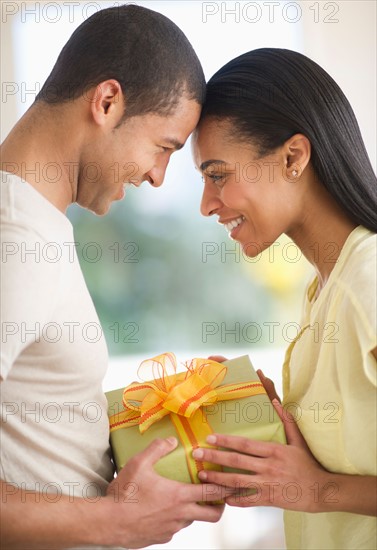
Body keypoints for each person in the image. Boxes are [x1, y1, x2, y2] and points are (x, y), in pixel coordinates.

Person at [0, 5, 225, 549]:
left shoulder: (36, 223)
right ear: (106, 102)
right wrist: (115, 522)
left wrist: (179, 401)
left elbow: (39, 410)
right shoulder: (16, 238)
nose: (156, 175)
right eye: (164, 147)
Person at [192, 48, 377, 549]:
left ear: (294, 156)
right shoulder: (324, 288)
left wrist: (318, 490)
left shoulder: (369, 280)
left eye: (218, 174)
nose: (208, 204)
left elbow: (322, 489)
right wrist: (273, 423)